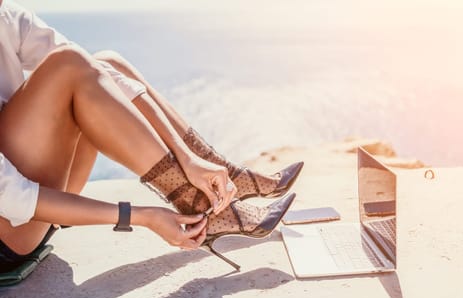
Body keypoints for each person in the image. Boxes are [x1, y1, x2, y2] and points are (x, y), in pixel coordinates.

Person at [0, 0, 302, 271]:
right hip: (12, 228)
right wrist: (141, 216)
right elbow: (13, 197)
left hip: (37, 206)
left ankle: (219, 172)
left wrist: (189, 156)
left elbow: (97, 72)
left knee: (106, 63)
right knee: (67, 64)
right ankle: (194, 201)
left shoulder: (7, 15)